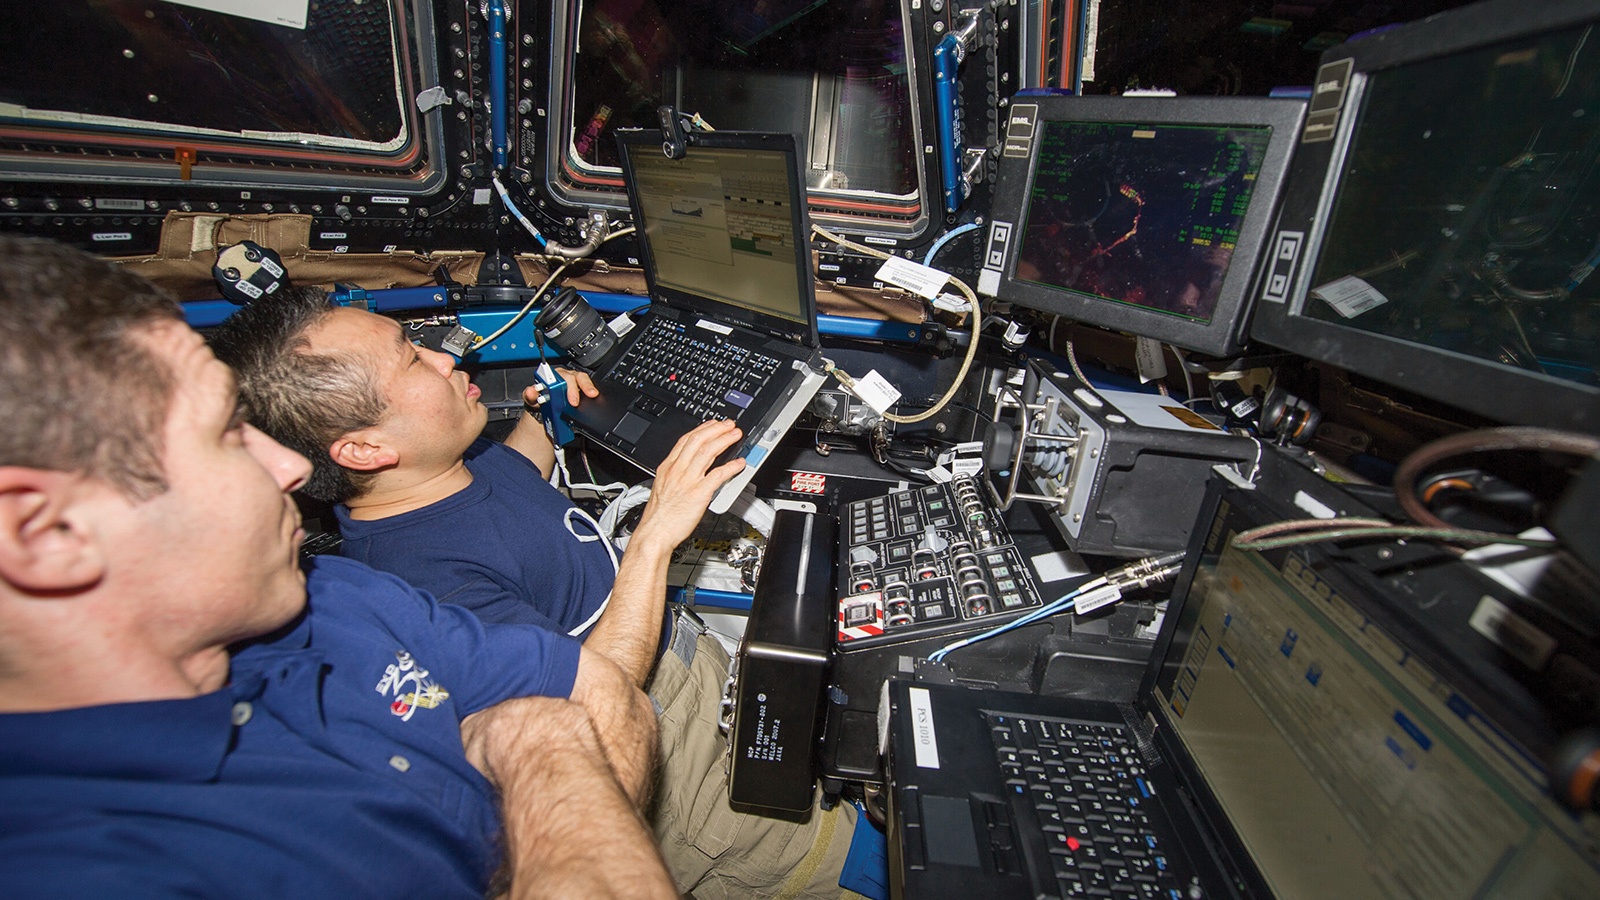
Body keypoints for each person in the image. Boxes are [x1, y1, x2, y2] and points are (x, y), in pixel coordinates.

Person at [0, 235, 684, 899]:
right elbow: (586, 705)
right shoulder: (87, 866)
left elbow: (593, 697)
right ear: (46, 533)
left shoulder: (334, 597)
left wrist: (532, 734)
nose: (292, 470)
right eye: (221, 436)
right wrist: (541, 737)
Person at [212, 289, 874, 899]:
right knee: (856, 860)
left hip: (690, 672)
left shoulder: (447, 467)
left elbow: (515, 479)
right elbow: (592, 709)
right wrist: (654, 536)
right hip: (682, 766)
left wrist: (544, 415)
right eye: (413, 361)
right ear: (364, 449)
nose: (445, 357)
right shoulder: (425, 586)